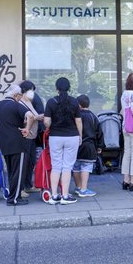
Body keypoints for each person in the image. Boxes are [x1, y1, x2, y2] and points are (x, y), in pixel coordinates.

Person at [0, 84, 34, 206]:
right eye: (20, 96)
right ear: (16, 95)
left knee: (11, 172)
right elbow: (30, 116)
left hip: (4, 144)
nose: (20, 98)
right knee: (18, 172)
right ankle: (13, 199)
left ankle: (14, 196)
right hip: (17, 143)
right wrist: (27, 129)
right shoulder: (16, 105)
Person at [43, 77, 81, 205]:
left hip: (55, 137)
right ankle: (65, 195)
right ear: (69, 88)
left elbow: (47, 122)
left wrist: (49, 124)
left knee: (56, 166)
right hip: (72, 136)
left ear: (57, 88)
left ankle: (54, 196)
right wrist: (80, 136)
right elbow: (78, 121)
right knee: (67, 167)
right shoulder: (74, 102)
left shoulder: (51, 102)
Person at [18, 80, 45, 196]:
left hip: (33, 136)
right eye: (30, 90)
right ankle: (20, 188)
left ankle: (28, 185)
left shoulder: (29, 102)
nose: (32, 93)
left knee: (31, 161)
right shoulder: (20, 102)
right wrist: (37, 117)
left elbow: (33, 116)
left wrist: (37, 117)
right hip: (25, 137)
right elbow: (22, 119)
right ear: (24, 91)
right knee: (23, 162)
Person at [74, 95, 102, 198]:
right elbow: (99, 132)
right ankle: (83, 189)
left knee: (76, 166)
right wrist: (99, 146)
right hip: (89, 146)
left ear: (79, 105)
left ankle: (78, 187)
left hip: (76, 145)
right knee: (86, 166)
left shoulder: (75, 116)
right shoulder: (93, 117)